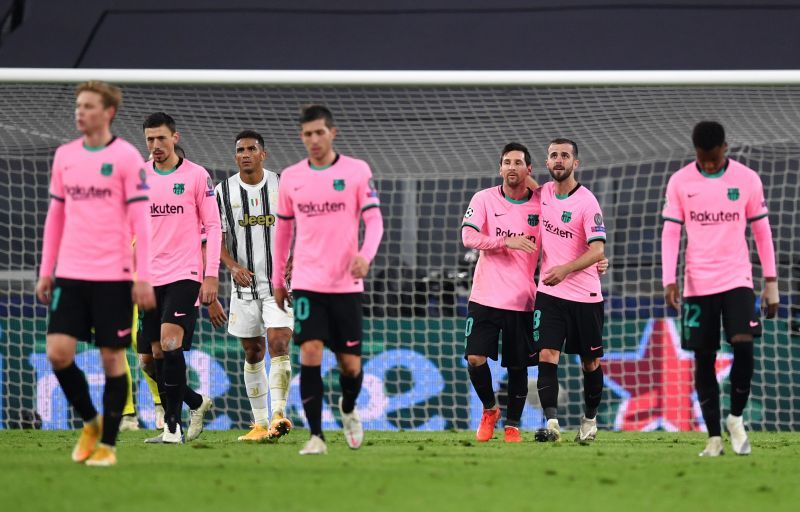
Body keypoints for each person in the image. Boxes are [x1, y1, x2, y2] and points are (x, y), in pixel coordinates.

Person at [36, 80, 156, 466]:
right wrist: (46, 270)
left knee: (111, 359)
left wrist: (143, 275)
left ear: (108, 113)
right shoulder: (65, 156)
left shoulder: (126, 157)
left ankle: (108, 445)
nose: (79, 112)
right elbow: (56, 217)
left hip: (114, 276)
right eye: (78, 105)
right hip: (70, 274)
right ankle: (90, 421)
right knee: (58, 352)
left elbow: (143, 221)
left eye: (88, 106)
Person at [661, 121, 779, 457]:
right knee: (703, 357)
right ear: (696, 152)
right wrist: (669, 279)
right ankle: (713, 436)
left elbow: (762, 232)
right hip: (697, 285)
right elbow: (671, 234)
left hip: (738, 279)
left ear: (725, 148)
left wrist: (771, 282)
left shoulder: (746, 180)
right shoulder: (681, 181)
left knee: (743, 347)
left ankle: (735, 418)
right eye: (703, 159)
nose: (709, 164)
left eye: (713, 158)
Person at [272, 105, 384, 455]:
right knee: (310, 351)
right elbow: (283, 231)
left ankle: (349, 410)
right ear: (302, 137)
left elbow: (375, 222)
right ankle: (316, 436)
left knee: (350, 365)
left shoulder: (356, 171)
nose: (314, 140)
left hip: (346, 285)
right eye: (307, 134)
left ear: (332, 133)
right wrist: (278, 278)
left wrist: (365, 256)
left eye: (319, 132)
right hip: (307, 282)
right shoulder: (291, 177)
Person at [139, 112, 221, 443]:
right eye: (149, 139)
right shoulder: (139, 177)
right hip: (148, 275)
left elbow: (214, 227)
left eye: (161, 138)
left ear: (176, 137)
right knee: (149, 360)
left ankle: (172, 428)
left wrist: (211, 275)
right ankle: (195, 402)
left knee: (170, 345)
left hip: (184, 274)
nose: (155, 145)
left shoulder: (197, 176)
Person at [211, 130, 293, 442]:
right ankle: (259, 424)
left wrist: (296, 257)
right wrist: (231, 266)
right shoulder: (223, 192)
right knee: (253, 350)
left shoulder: (282, 184)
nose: (245, 154)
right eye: (240, 150)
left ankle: (278, 415)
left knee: (279, 343)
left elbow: (303, 224)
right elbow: (214, 236)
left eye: (251, 149)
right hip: (244, 287)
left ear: (263, 154)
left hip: (279, 285)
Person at [461, 142, 541, 443]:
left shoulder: (541, 205)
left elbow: (565, 236)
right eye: (506, 162)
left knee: (518, 365)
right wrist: (505, 241)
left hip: (522, 298)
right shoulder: (483, 198)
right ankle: (490, 409)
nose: (511, 167)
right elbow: (467, 235)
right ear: (500, 168)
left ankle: (512, 426)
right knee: (475, 357)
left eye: (518, 163)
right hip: (484, 295)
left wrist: (596, 261)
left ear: (528, 169)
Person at [532, 138, 607, 444]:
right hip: (549, 294)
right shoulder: (542, 194)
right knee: (547, 354)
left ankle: (589, 421)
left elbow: (598, 250)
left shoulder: (587, 202)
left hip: (585, 296)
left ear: (576, 163)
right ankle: (552, 424)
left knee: (590, 363)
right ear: (547, 163)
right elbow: (519, 176)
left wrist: (565, 269)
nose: (559, 160)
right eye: (553, 156)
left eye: (565, 155)